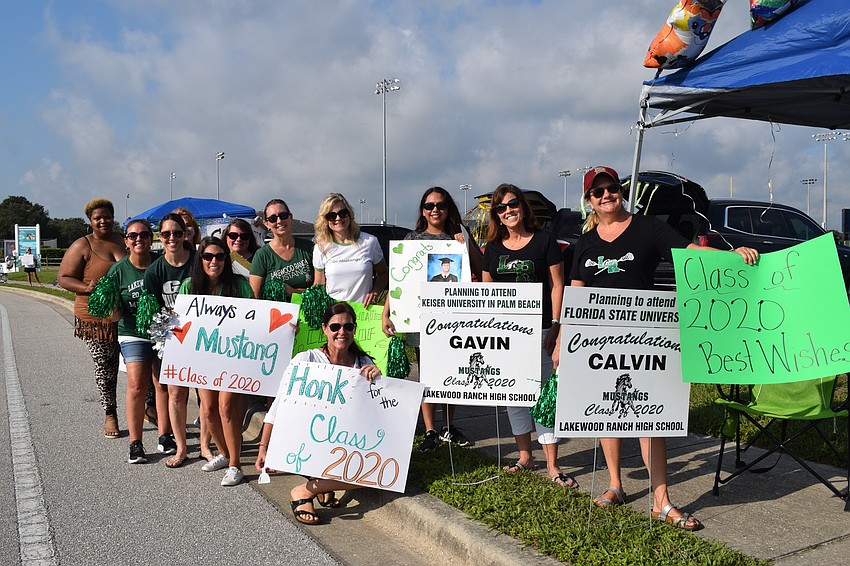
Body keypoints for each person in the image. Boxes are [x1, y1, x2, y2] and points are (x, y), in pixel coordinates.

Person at [568, 166, 759, 530]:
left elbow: (691, 253)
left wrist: (734, 256)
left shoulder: (647, 227)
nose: (607, 195)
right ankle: (615, 485)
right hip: (597, 337)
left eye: (612, 189)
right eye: (598, 192)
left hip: (644, 335)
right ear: (589, 200)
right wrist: (565, 336)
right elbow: (576, 289)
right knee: (608, 411)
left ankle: (661, 501)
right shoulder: (587, 241)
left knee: (649, 417)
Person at [482, 184, 576, 488]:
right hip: (506, 336)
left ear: (523, 207)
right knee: (513, 395)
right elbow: (486, 292)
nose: (507, 211)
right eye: (500, 207)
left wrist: (556, 324)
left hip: (542, 330)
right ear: (496, 214)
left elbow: (557, 285)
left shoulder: (545, 241)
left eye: (512, 204)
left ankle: (552, 463)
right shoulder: (492, 249)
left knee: (543, 395)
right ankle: (525, 456)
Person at [254, 302, 381, 525]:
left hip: (345, 441)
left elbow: (375, 408)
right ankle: (316, 485)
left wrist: (378, 378)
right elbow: (280, 403)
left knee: (372, 475)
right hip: (310, 441)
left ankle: (307, 489)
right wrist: (265, 447)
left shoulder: (363, 363)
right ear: (324, 328)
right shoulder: (307, 359)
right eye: (335, 327)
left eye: (348, 327)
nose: (342, 332)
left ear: (354, 329)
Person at [382, 187, 483, 450]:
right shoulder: (412, 239)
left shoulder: (459, 236)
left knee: (451, 371)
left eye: (440, 205)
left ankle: (449, 426)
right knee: (426, 372)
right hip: (420, 316)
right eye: (429, 206)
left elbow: (479, 266)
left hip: (452, 317)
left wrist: (466, 243)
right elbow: (398, 279)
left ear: (449, 208)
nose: (435, 210)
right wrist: (387, 311)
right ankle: (430, 430)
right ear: (422, 210)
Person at [179, 236, 254, 485]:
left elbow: (256, 319)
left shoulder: (240, 285)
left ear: (227, 259)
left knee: (225, 408)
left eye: (220, 256)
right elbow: (181, 323)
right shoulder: (190, 286)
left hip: (232, 357)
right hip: (203, 358)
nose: (214, 261)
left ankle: (235, 464)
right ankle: (224, 453)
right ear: (200, 259)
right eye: (208, 256)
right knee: (208, 411)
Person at [58, 198, 127, 439]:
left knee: (141, 364)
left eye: (107, 216)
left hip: (127, 316)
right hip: (95, 319)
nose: (103, 221)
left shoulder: (124, 240)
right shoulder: (82, 245)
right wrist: (88, 287)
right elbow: (64, 277)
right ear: (90, 221)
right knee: (105, 367)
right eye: (97, 218)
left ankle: (150, 406)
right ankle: (110, 413)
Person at [143, 213, 195, 466]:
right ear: (160, 237)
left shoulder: (200, 261)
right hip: (172, 339)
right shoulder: (154, 272)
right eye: (166, 234)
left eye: (177, 233)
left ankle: (208, 444)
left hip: (203, 338)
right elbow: (152, 313)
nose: (172, 238)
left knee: (205, 396)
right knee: (174, 393)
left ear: (185, 234)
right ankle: (177, 444)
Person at [106, 219, 159, 463]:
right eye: (132, 235)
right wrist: (111, 307)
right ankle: (135, 443)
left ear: (151, 238)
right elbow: (113, 315)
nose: (139, 239)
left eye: (144, 235)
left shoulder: (161, 265)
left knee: (163, 385)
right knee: (137, 384)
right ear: (125, 241)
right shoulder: (118, 271)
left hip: (162, 332)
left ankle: (166, 435)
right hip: (132, 332)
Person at [312, 193, 387, 307]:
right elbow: (318, 285)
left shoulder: (369, 241)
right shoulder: (320, 248)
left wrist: (375, 292)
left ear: (349, 214)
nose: (338, 218)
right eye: (332, 215)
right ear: (325, 220)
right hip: (335, 315)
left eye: (343, 213)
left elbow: (383, 273)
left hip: (364, 313)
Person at [249, 199, 313, 300]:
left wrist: (292, 292)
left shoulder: (309, 247)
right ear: (266, 224)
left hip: (307, 312)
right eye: (273, 218)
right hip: (274, 313)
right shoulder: (262, 255)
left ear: (290, 217)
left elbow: (320, 289)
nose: (279, 221)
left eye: (283, 215)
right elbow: (254, 296)